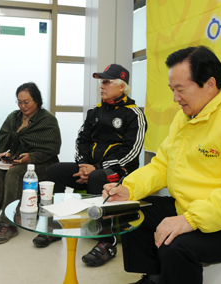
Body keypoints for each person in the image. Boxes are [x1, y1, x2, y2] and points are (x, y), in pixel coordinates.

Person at [102, 46, 221, 284]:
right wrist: (128, 189)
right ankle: (155, 277)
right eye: (172, 89)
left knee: (176, 246)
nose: (175, 98)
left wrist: (190, 219)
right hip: (190, 208)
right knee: (131, 212)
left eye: (180, 89)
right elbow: (162, 165)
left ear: (209, 84)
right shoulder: (185, 117)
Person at [33, 64, 147, 267]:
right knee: (54, 171)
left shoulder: (134, 113)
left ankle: (107, 242)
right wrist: (83, 164)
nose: (101, 86)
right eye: (100, 82)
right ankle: (55, 227)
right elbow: (81, 140)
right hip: (92, 166)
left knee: (97, 177)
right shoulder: (95, 111)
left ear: (122, 87)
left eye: (106, 82)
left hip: (121, 170)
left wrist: (97, 167)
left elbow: (131, 152)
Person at [0, 82, 61, 244]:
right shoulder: (13, 117)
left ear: (37, 100)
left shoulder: (48, 120)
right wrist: (4, 153)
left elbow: (52, 148)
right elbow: (2, 140)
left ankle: (8, 223)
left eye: (27, 102)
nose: (22, 106)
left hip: (42, 163)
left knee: (14, 174)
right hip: (16, 160)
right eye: (19, 101)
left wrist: (31, 157)